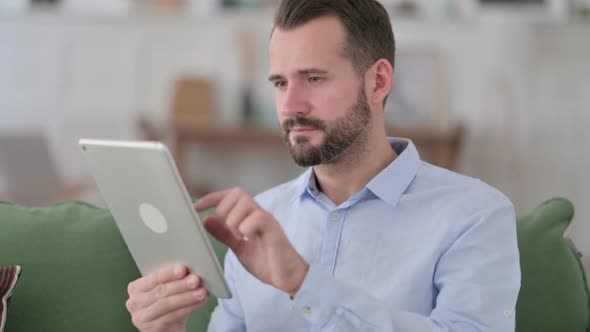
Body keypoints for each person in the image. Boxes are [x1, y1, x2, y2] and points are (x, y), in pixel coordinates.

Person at [125, 0, 521, 331]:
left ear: (379, 82)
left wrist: (304, 282)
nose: (291, 106)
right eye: (280, 83)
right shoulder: (257, 225)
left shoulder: (476, 216)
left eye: (313, 79)